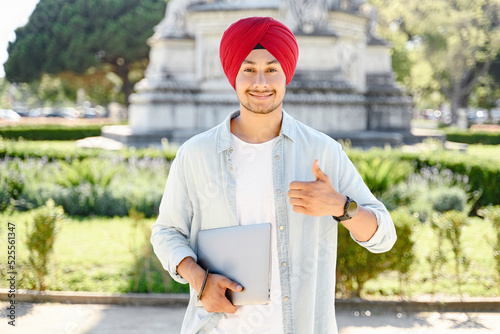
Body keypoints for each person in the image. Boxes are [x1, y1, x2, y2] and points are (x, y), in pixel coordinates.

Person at [151, 16, 396, 334]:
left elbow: (384, 236)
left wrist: (340, 206)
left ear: (287, 74)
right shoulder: (195, 153)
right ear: (233, 75)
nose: (261, 83)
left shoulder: (323, 151)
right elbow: (166, 232)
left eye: (272, 69)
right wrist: (200, 281)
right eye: (249, 69)